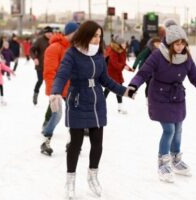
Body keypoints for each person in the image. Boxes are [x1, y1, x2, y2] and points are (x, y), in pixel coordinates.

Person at [127, 19, 196, 183]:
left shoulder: (186, 57)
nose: (180, 47)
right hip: (159, 95)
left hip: (177, 96)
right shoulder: (157, 55)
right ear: (169, 43)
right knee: (169, 129)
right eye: (176, 44)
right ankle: (163, 163)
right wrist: (134, 85)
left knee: (178, 128)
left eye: (182, 43)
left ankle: (176, 159)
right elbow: (143, 73)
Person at [49, 20, 133, 199]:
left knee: (97, 144)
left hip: (97, 103)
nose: (97, 39)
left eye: (100, 36)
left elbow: (105, 79)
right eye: (94, 35)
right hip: (78, 101)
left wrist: (124, 91)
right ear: (85, 34)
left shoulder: (99, 54)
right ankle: (70, 180)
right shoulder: (72, 53)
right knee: (76, 144)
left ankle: (92, 176)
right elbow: (62, 74)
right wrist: (55, 92)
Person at [40, 22, 79, 156]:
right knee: (57, 115)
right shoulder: (54, 48)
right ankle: (45, 141)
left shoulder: (74, 49)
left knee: (74, 115)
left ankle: (72, 143)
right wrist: (53, 92)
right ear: (70, 33)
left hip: (71, 87)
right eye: (76, 33)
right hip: (57, 88)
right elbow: (49, 72)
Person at [104, 35, 131, 114]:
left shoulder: (121, 51)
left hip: (117, 74)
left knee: (115, 91)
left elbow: (122, 63)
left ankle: (120, 108)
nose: (125, 44)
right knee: (108, 90)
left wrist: (128, 68)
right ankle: (99, 105)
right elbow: (115, 64)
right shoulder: (113, 52)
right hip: (111, 74)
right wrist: (123, 66)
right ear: (119, 44)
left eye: (125, 43)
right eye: (123, 43)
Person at [30, 26, 53, 105]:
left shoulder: (53, 40)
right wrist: (35, 58)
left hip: (50, 65)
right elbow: (32, 50)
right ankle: (35, 94)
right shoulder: (39, 40)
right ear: (44, 33)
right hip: (40, 65)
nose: (49, 34)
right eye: (47, 33)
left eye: (50, 33)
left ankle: (52, 99)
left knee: (50, 82)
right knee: (40, 80)